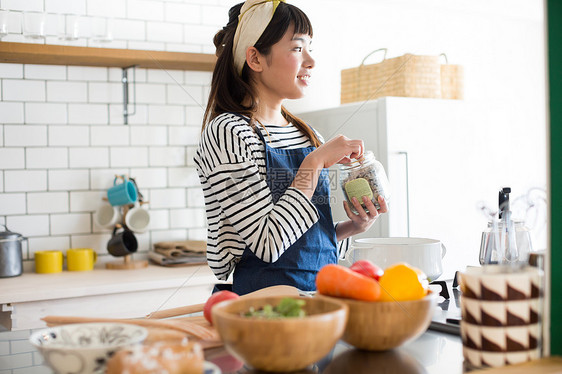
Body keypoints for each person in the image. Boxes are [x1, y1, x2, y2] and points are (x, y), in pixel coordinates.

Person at [194, 0, 388, 295]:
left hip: (320, 299)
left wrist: (353, 227)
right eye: (298, 48)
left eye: (310, 48)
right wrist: (313, 164)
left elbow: (306, 242)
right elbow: (268, 243)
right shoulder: (228, 133)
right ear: (256, 59)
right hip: (261, 307)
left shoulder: (307, 134)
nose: (311, 61)